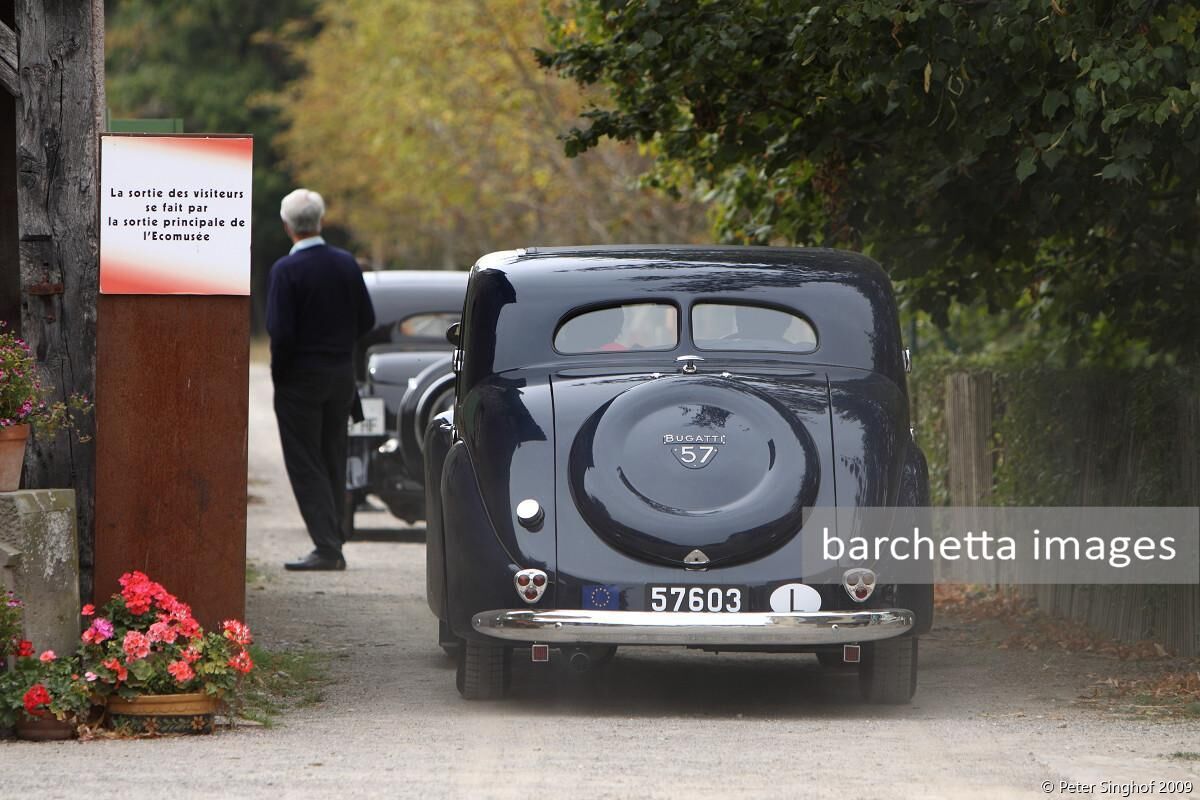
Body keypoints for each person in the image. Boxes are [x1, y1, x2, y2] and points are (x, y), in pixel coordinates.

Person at [268, 189, 375, 571]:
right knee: (333, 455)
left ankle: (328, 547)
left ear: (287, 226)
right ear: (321, 221)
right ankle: (334, 536)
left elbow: (281, 334)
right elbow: (367, 320)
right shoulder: (346, 264)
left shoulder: (286, 271)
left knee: (305, 461)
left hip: (301, 379)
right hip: (340, 377)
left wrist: (281, 377)